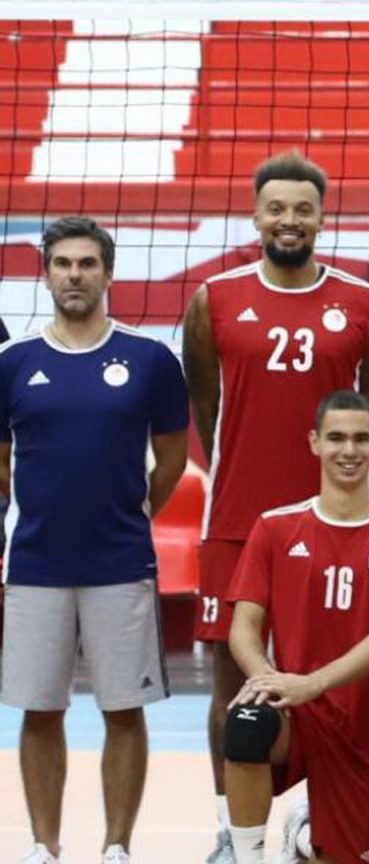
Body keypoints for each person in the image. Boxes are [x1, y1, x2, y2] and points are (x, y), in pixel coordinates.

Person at [181, 150, 369, 863]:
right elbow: (208, 409)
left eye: (303, 209)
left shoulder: (365, 305)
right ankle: (231, 827)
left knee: (335, 678)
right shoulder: (213, 300)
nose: (289, 220)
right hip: (237, 522)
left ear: (321, 217)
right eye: (276, 207)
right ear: (255, 215)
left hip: (336, 524)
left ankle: (314, 811)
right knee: (234, 683)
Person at [0, 216, 189, 864]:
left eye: (86, 263)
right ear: (46, 273)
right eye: (63, 263)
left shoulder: (150, 359)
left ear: (108, 273)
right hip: (36, 564)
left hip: (120, 562)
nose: (74, 275)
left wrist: (132, 511)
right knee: (39, 710)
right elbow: (3, 462)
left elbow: (172, 457)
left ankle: (116, 847)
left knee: (124, 709)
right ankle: (45, 846)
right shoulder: (14, 363)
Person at [220, 391, 369, 864]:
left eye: (360, 439)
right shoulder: (275, 528)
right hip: (290, 710)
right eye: (336, 438)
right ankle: (247, 856)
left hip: (358, 727)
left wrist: (311, 683)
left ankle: (305, 831)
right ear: (315, 442)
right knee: (247, 722)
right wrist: (265, 678)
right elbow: (243, 627)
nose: (348, 450)